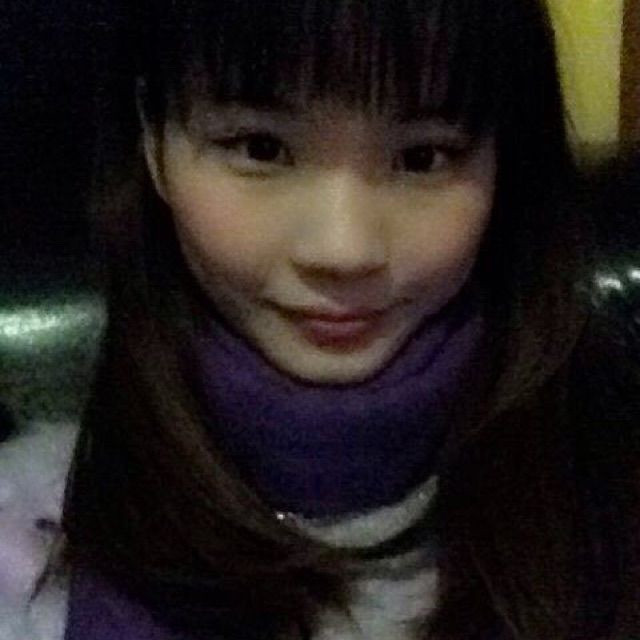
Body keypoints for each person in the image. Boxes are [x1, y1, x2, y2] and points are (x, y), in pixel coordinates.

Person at [30, 1, 640, 638]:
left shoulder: (607, 486)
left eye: (422, 157)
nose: (343, 251)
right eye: (262, 148)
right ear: (154, 143)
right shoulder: (32, 540)